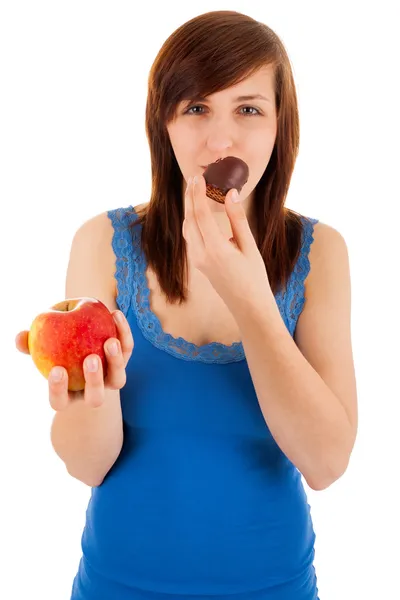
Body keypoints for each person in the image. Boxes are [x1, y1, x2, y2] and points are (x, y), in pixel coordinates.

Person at [16, 10, 358, 600]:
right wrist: (89, 399)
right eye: (196, 108)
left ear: (281, 127)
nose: (220, 140)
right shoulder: (101, 241)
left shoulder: (321, 253)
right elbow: (86, 466)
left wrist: (248, 297)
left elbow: (327, 465)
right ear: (164, 123)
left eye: (248, 109)